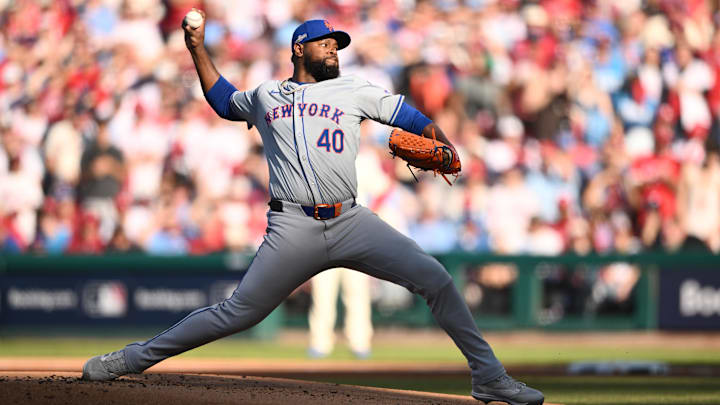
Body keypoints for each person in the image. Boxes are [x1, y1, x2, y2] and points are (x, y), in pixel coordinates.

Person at [81, 12, 544, 405]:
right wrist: (196, 47)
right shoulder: (265, 96)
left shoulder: (354, 90)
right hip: (292, 227)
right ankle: (131, 359)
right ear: (299, 49)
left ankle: (488, 377)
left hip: (351, 220)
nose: (333, 51)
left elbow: (412, 118)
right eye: (325, 44)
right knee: (237, 312)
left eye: (336, 45)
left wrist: (437, 136)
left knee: (437, 280)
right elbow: (223, 100)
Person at [307, 267, 373, 359]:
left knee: (358, 298)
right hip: (325, 254)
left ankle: (360, 343)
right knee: (322, 298)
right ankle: (319, 344)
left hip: (354, 254)